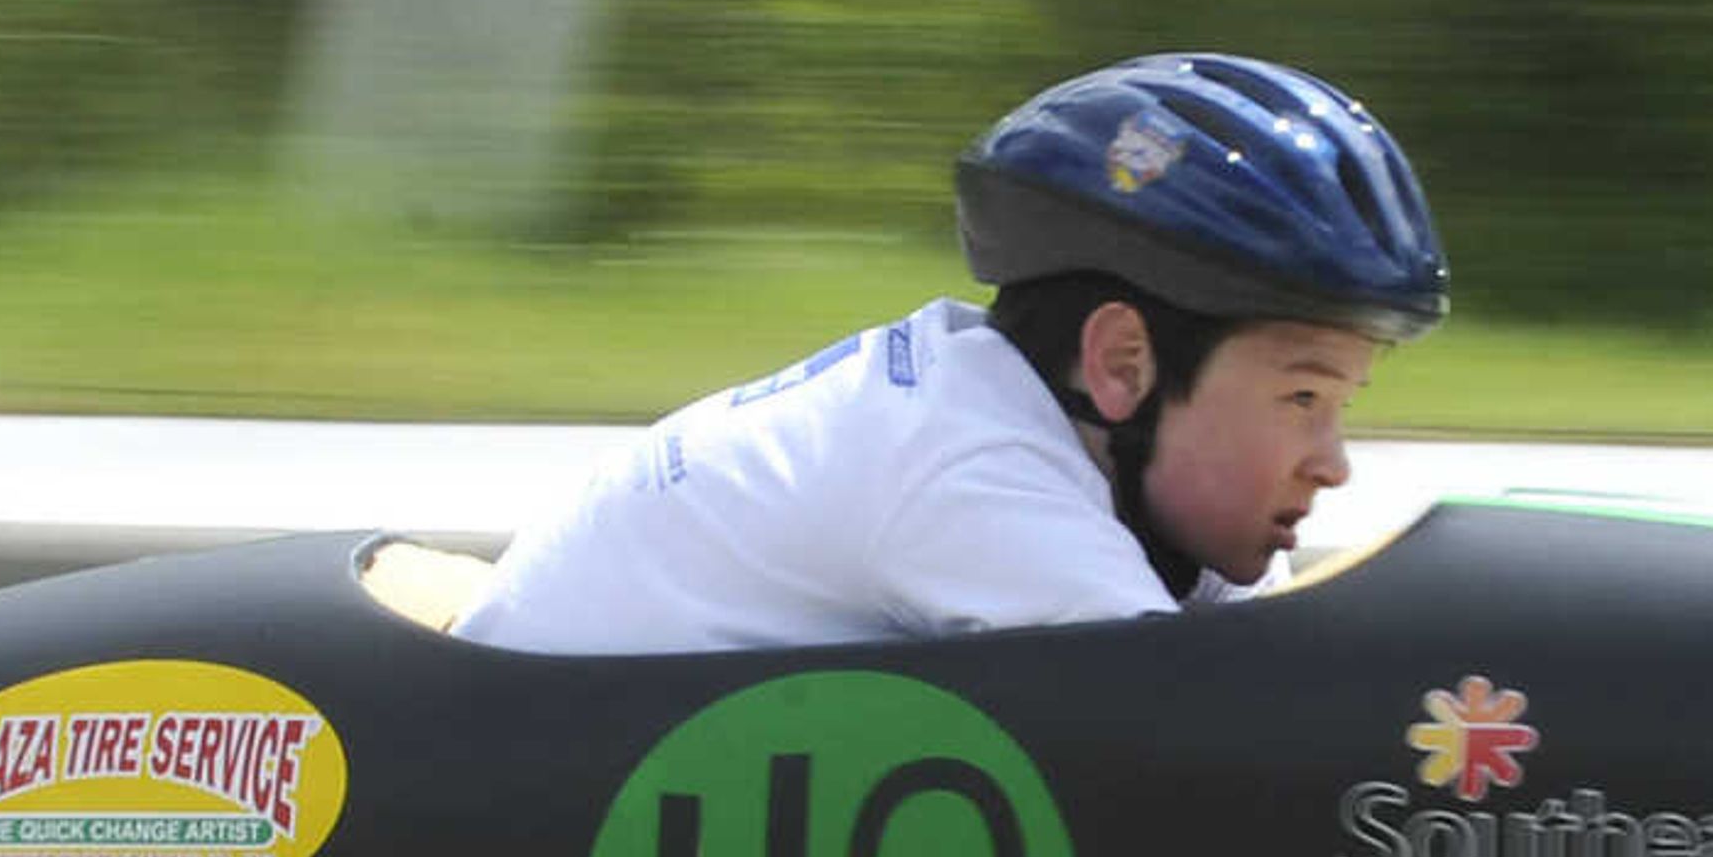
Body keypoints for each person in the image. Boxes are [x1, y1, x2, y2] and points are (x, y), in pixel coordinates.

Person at [452, 53, 1446, 654]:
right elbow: (1211, 729)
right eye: (1304, 397)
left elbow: (1254, 641)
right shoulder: (975, 472)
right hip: (512, 783)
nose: (1333, 461)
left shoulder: (1062, 439)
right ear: (1123, 368)